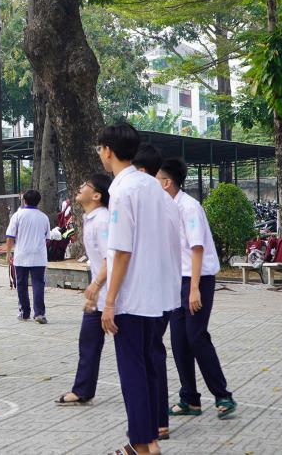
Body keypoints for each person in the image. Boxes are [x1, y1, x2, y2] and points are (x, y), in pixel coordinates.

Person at [97, 122, 182, 455]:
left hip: (133, 297)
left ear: (107, 149)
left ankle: (141, 444)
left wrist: (109, 301)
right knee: (147, 368)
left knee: (132, 372)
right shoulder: (152, 186)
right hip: (158, 295)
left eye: (99, 148)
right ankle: (148, 440)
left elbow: (121, 251)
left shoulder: (121, 189)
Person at [158, 157, 236, 424]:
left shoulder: (189, 208)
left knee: (196, 336)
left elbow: (197, 248)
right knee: (179, 341)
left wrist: (193, 290)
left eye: (157, 180)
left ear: (167, 182)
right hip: (175, 281)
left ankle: (223, 395)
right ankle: (189, 398)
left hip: (197, 281)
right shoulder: (165, 208)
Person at [56, 173, 112, 405]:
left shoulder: (103, 220)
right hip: (99, 297)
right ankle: (82, 390)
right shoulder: (91, 219)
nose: (80, 187)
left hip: (115, 297)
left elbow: (113, 257)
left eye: (86, 185)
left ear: (97, 195)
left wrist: (96, 286)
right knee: (88, 341)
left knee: (134, 351)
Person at [131, 142, 174, 441]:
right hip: (160, 287)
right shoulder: (163, 201)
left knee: (150, 355)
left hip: (152, 290)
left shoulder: (149, 199)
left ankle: (157, 422)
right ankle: (157, 420)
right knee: (152, 353)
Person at [6, 189, 52, 324]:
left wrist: (8, 253)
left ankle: (24, 312)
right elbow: (47, 238)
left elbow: (10, 237)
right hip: (39, 256)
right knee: (38, 284)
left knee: (21, 284)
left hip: (21, 255)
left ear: (24, 200)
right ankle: (39, 313)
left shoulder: (17, 215)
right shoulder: (43, 217)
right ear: (39, 201)